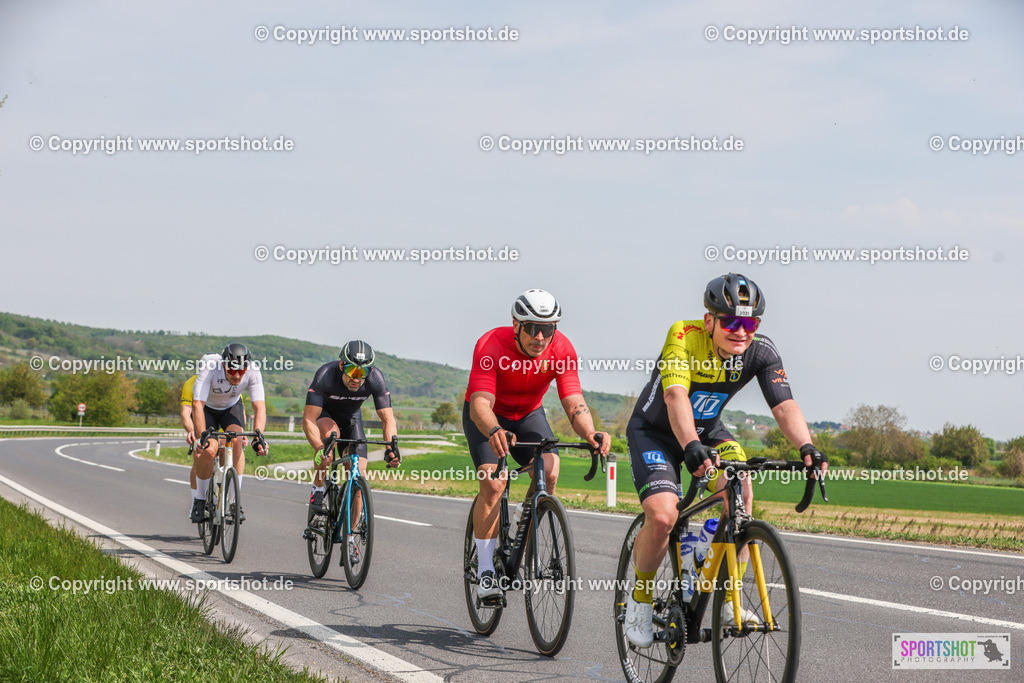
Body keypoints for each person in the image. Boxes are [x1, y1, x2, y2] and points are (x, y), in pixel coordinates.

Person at [623, 273, 828, 647]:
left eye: (749, 323)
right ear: (709, 321)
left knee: (741, 494)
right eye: (731, 321)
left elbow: (783, 405)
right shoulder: (684, 336)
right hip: (655, 432)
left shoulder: (761, 351)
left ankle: (729, 597)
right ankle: (639, 601)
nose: (740, 331)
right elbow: (675, 397)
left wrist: (807, 446)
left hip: (708, 431)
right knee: (665, 515)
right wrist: (689, 445)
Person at [464, 289, 610, 599]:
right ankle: (487, 570)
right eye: (532, 328)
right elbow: (480, 403)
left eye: (548, 329)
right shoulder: (491, 344)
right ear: (515, 324)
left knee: (551, 469)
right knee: (493, 483)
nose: (540, 337)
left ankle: (522, 524)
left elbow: (573, 399)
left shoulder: (562, 349)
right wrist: (494, 430)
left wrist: (590, 434)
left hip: (529, 414)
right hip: (487, 417)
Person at [303, 340, 399, 564]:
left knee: (358, 477)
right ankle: (318, 489)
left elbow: (388, 419)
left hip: (352, 420)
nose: (356, 378)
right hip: (325, 416)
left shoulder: (375, 379)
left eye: (362, 372)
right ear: (341, 365)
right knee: (329, 439)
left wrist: (390, 448)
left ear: (370, 370)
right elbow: (308, 419)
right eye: (351, 371)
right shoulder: (325, 375)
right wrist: (319, 448)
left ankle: (349, 538)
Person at [190, 343, 267, 524]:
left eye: (241, 371)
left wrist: (259, 437)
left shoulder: (253, 371)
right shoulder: (210, 366)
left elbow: (259, 407)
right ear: (224, 365)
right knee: (209, 449)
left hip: (231, 408)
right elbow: (197, 405)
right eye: (232, 371)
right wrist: (203, 437)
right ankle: (199, 500)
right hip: (207, 409)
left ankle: (233, 503)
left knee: (238, 441)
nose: (237, 376)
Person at [179, 374, 199, 514]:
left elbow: (241, 410)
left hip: (222, 421)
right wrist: (191, 431)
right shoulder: (191, 383)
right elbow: (186, 412)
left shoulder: (225, 380)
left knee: (225, 453)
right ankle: (195, 501)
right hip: (199, 423)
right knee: (198, 456)